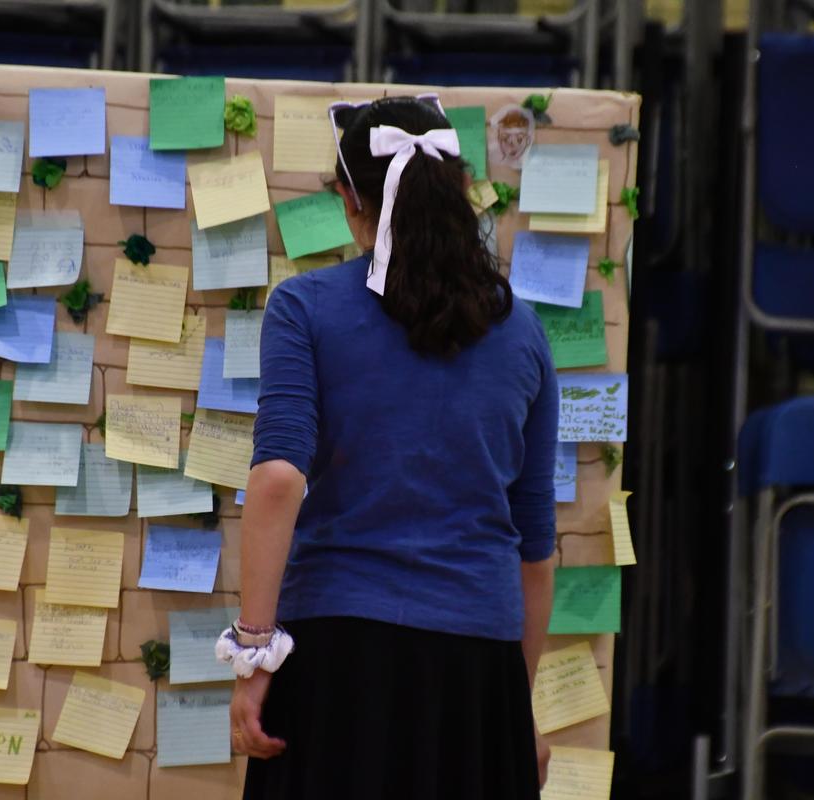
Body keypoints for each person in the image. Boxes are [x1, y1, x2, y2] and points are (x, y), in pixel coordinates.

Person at [216, 95, 558, 800]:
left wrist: (254, 653)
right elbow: (535, 548)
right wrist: (512, 707)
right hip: (478, 666)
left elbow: (278, 480)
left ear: (350, 201)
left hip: (337, 657)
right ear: (460, 192)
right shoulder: (523, 331)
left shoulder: (304, 308)